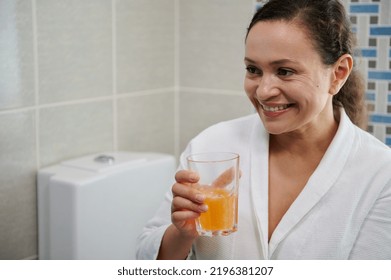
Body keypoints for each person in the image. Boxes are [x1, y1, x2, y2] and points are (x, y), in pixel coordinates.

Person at [137, 0, 391, 260]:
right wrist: (182, 234)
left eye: (285, 71)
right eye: (253, 70)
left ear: (338, 73)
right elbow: (146, 260)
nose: (263, 91)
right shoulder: (210, 145)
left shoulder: (381, 174)